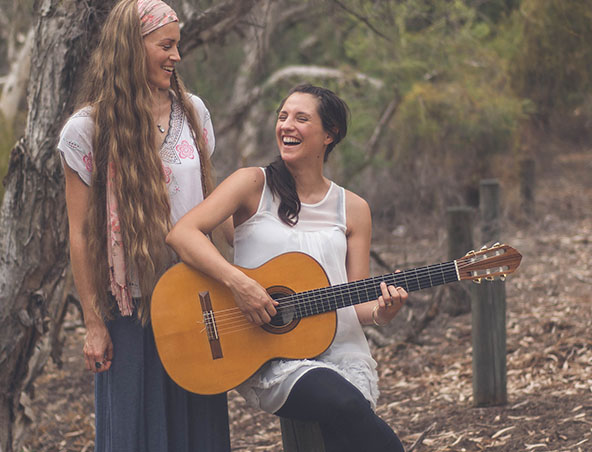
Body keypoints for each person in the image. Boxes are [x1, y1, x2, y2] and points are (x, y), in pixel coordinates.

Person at [167, 83, 408, 451]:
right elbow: (182, 234)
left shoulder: (354, 208)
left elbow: (356, 302)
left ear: (330, 134)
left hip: (341, 349)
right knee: (345, 404)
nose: (286, 125)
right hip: (271, 352)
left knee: (346, 429)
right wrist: (239, 283)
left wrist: (381, 311)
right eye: (282, 117)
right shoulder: (252, 184)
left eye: (301, 118)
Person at [58, 0, 231, 450]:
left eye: (178, 45)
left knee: (200, 433)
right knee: (135, 435)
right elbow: (79, 233)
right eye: (165, 45)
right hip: (129, 311)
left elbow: (212, 204)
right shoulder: (87, 129)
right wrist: (93, 324)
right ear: (131, 49)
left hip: (197, 300)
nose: (176, 56)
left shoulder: (193, 113)